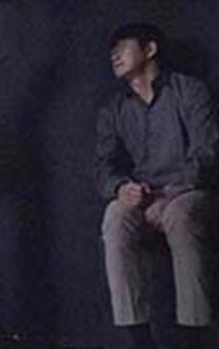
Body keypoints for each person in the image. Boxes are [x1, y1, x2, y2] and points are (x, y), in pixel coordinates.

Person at [95, 23, 218, 349]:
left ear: (149, 49)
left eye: (122, 47)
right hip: (145, 197)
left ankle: (192, 337)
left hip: (188, 191)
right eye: (112, 51)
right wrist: (121, 187)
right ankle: (140, 340)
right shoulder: (114, 108)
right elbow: (104, 166)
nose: (114, 56)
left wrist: (172, 192)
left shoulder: (189, 91)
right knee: (115, 217)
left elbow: (208, 152)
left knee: (181, 214)